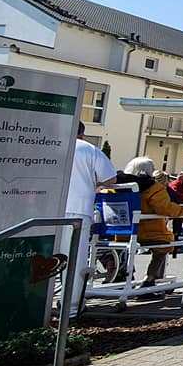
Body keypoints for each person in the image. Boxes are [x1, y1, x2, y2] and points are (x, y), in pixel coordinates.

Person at [62, 121, 117, 317]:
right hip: (78, 208)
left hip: (51, 209)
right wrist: (93, 184)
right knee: (75, 258)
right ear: (82, 134)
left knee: (50, 256)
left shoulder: (54, 144)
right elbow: (110, 179)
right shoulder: (89, 150)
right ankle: (71, 306)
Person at [119, 157, 183, 290]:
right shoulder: (153, 188)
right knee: (164, 245)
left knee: (123, 248)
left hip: (120, 232)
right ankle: (151, 278)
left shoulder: (117, 186)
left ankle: (120, 273)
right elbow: (166, 208)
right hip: (149, 233)